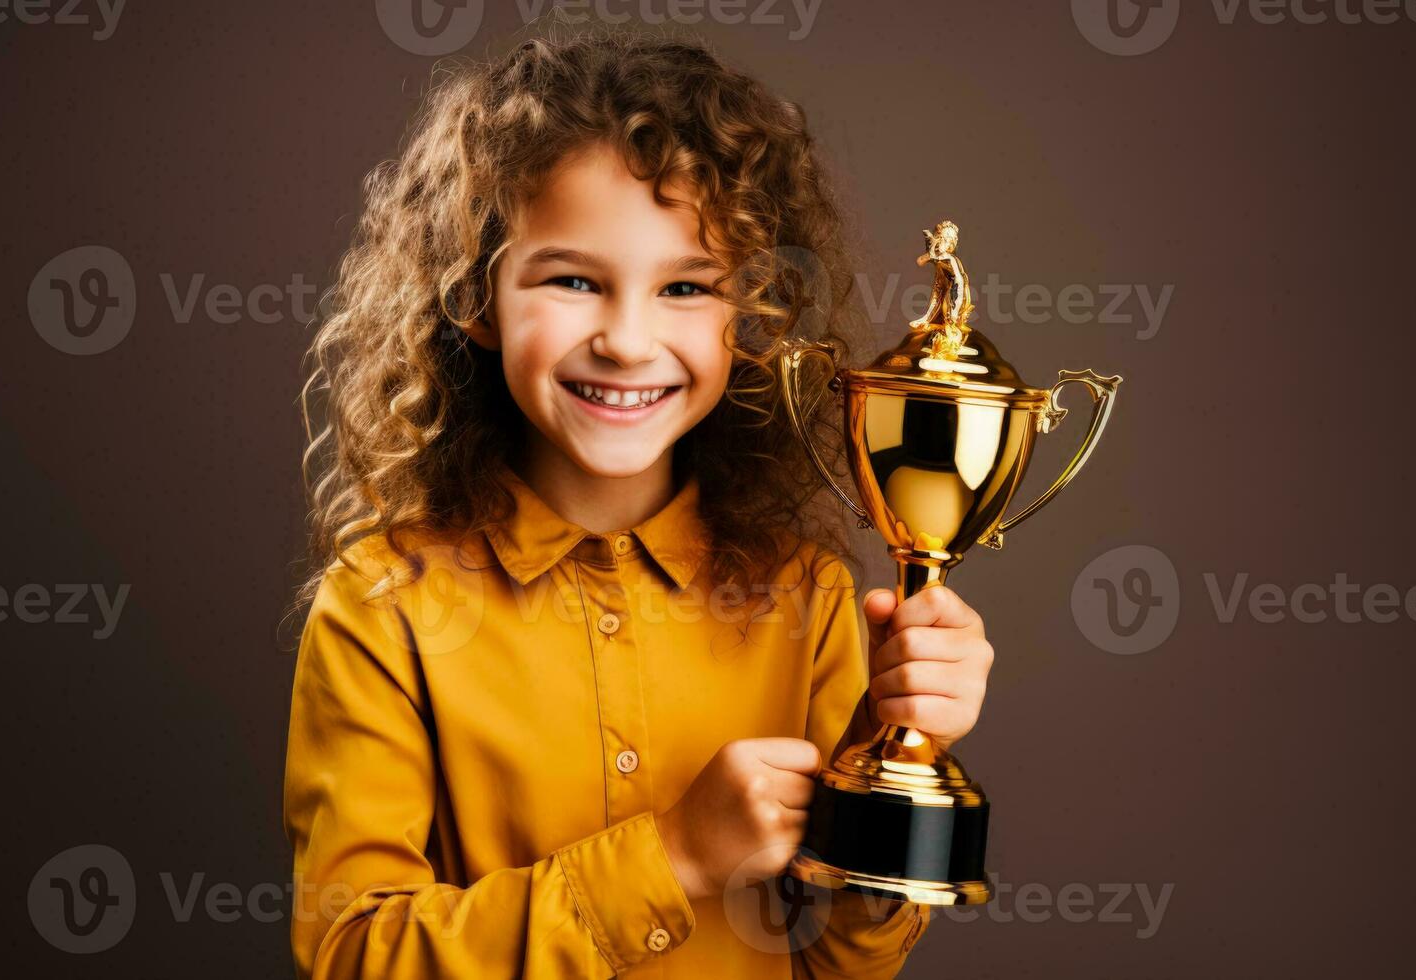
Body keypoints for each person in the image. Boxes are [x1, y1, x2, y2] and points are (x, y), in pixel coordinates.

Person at [284, 33, 992, 979]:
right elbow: (353, 957)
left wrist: (889, 767)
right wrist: (673, 857)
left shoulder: (809, 598)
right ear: (475, 297)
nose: (625, 340)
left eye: (686, 288)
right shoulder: (381, 608)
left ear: (751, 317)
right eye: (573, 280)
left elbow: (839, 965)